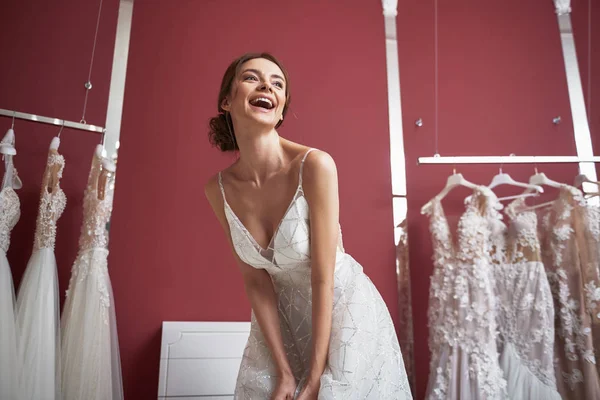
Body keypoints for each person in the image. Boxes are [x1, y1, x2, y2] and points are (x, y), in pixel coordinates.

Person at [204, 53, 412, 400]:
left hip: (343, 311)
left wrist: (316, 376)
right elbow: (255, 280)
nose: (267, 85)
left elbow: (323, 276)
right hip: (280, 325)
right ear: (227, 100)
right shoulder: (218, 189)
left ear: (282, 108)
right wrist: (285, 372)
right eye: (252, 78)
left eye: (277, 82)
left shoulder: (315, 166)